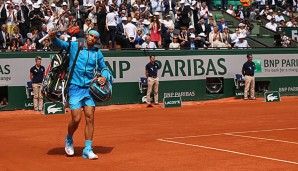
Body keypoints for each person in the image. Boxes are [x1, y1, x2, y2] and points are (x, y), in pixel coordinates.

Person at [49, 29, 110, 160]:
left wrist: (104, 76)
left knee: (90, 117)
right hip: (74, 87)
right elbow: (61, 45)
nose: (92, 39)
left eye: (95, 37)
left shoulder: (97, 53)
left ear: (96, 40)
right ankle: (69, 138)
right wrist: (54, 38)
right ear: (87, 36)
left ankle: (88, 149)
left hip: (89, 89)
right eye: (91, 36)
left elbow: (104, 68)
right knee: (76, 119)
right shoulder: (75, 45)